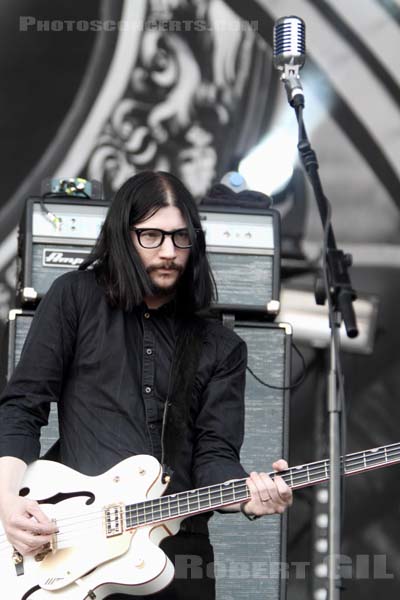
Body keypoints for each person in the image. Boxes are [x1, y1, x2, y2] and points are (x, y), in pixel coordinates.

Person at [0, 171, 292, 599]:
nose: (170, 252)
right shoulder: (75, 298)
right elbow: (23, 405)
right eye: (151, 236)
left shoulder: (221, 345)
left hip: (179, 551)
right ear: (124, 235)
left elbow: (215, 456)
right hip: (71, 543)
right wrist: (7, 499)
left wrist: (250, 497)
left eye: (180, 237)